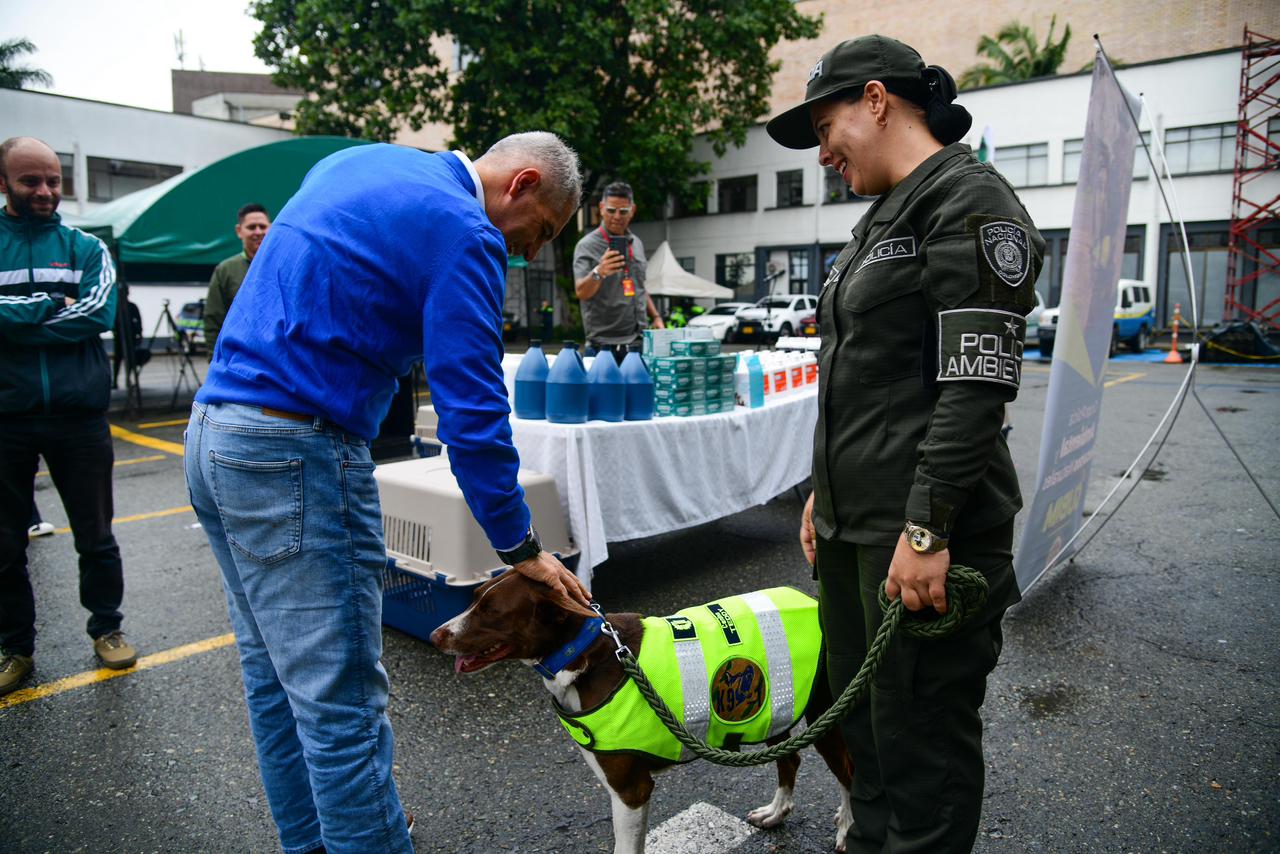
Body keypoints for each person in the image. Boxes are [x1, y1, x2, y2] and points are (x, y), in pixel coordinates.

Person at [184, 132, 591, 854]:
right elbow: (470, 412)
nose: (530, 252)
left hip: (217, 434)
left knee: (279, 687)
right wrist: (521, 546)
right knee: (342, 709)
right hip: (297, 449)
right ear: (523, 183)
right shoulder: (468, 233)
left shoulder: (360, 160)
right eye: (545, 232)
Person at [767, 36, 1045, 853]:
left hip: (926, 542)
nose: (822, 153)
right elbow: (867, 380)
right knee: (871, 743)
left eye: (825, 128)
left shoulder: (967, 199)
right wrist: (828, 490)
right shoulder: (878, 217)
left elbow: (975, 385)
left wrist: (928, 527)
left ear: (878, 100)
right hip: (859, 536)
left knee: (923, 754)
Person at [0, 136, 137, 697]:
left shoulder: (85, 246)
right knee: (5, 543)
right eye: (31, 181)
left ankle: (107, 628)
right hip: (6, 417)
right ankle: (16, 647)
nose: (45, 191)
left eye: (53, 180)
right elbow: (71, 315)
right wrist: (43, 306)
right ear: (4, 182)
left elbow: (98, 311)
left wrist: (12, 320)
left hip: (79, 418)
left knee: (96, 536)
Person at [572, 181, 664, 363]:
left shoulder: (636, 243)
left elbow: (640, 287)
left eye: (623, 211)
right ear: (601, 208)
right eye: (611, 210)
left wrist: (656, 317)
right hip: (603, 347)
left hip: (638, 342)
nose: (617, 217)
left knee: (638, 392)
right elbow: (581, 292)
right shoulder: (587, 246)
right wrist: (599, 271)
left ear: (632, 210)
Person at [203, 202, 270, 358]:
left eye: (263, 226)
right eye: (252, 227)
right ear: (239, 231)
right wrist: (214, 359)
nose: (258, 232)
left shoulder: (283, 266)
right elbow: (213, 318)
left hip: (276, 362)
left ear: (271, 228)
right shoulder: (226, 270)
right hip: (239, 359)